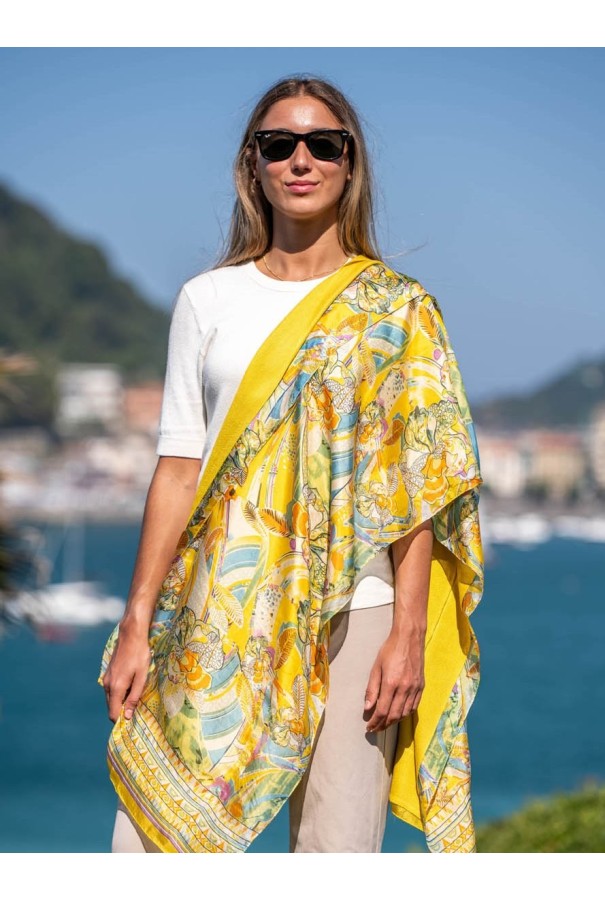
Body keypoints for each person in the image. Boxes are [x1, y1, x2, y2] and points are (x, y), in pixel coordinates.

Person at [99, 74, 485, 854]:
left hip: (358, 608)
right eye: (279, 145)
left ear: (350, 163)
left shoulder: (397, 309)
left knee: (333, 848)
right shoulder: (207, 299)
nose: (300, 160)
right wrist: (136, 622)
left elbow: (418, 485)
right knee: (147, 844)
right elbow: (178, 467)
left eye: (322, 145)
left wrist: (407, 635)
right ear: (254, 164)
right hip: (216, 609)